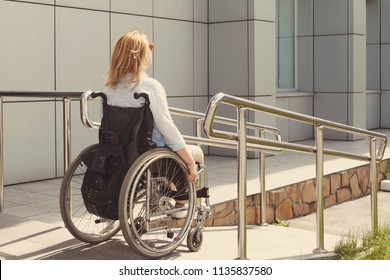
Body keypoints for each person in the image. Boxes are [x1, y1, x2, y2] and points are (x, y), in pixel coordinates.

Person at [104, 31, 203, 214]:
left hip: (119, 153)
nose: (152, 49)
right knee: (196, 154)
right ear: (140, 54)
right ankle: (181, 204)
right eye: (148, 46)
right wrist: (189, 163)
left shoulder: (111, 88)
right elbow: (166, 128)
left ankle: (169, 195)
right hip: (148, 153)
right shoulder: (150, 86)